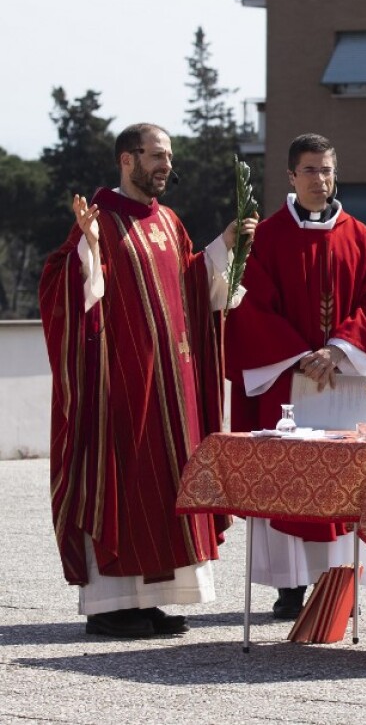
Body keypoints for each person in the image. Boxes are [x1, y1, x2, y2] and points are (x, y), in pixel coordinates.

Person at [39, 123, 257, 639]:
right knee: (124, 486)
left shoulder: (170, 221)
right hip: (121, 388)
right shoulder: (101, 222)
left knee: (166, 489)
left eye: (168, 157)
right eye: (156, 156)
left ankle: (153, 600)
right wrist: (86, 252)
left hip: (171, 389)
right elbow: (63, 289)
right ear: (126, 160)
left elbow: (191, 283)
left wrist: (226, 245)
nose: (165, 165)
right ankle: (110, 606)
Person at [225, 133, 366, 619]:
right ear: (290, 176)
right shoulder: (270, 236)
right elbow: (251, 305)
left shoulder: (361, 236)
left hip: (343, 382)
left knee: (342, 482)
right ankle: (290, 587)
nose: (320, 180)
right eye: (310, 171)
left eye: (326, 170)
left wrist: (338, 349)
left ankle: (337, 582)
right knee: (289, 480)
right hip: (290, 383)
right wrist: (302, 355)